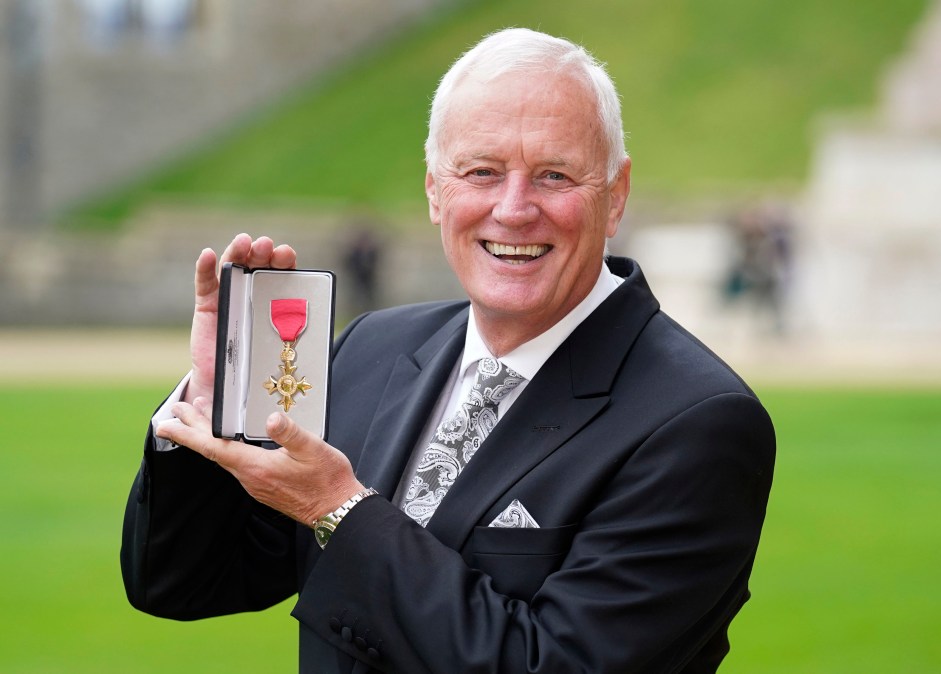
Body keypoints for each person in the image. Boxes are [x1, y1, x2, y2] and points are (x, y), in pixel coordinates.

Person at [121, 28, 775, 673]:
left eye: (554, 175)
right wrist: (209, 405)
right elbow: (184, 585)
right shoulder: (373, 348)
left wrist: (339, 510)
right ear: (436, 191)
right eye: (482, 172)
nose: (514, 210)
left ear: (616, 195)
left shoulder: (698, 421)